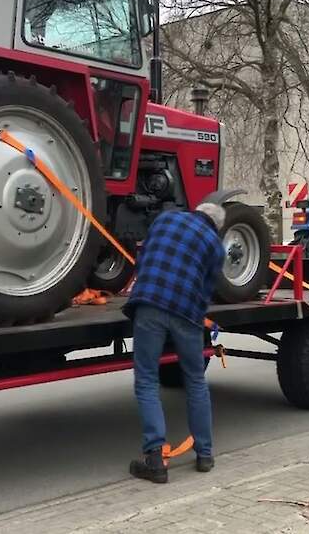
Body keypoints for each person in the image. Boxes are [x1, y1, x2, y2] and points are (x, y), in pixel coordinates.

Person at [123, 202, 227, 484]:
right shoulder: (215, 245)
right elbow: (208, 289)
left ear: (196, 211)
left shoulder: (165, 219)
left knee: (146, 379)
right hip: (187, 314)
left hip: (150, 303)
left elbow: (144, 258)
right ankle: (204, 454)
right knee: (195, 380)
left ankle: (155, 459)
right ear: (216, 226)